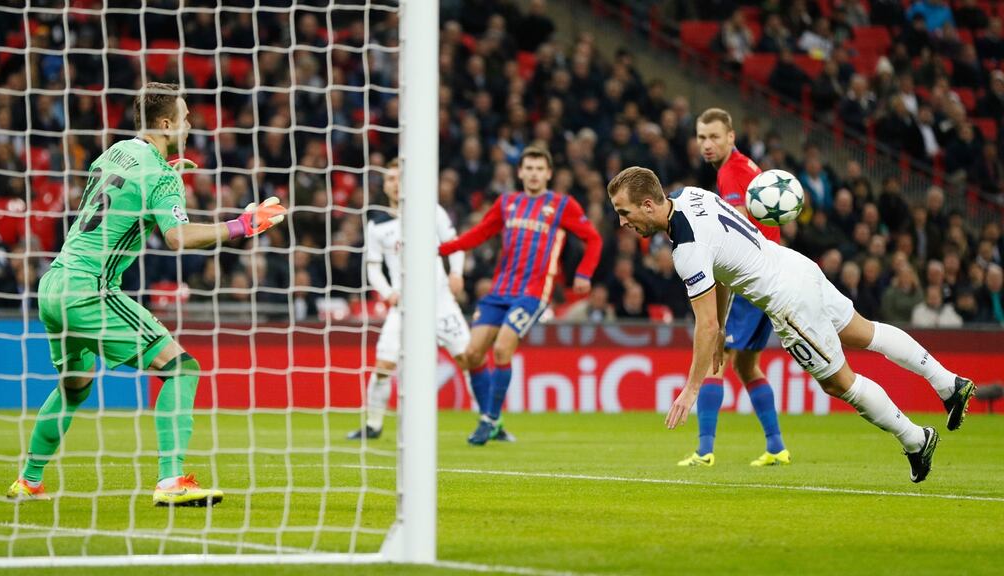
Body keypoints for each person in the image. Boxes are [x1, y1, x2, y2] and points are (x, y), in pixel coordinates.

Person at [8, 82, 287, 505]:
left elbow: (119, 198)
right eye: (186, 115)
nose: (191, 123)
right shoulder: (159, 175)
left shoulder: (115, 153)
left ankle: (28, 480)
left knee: (74, 387)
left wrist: (167, 169)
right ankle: (171, 482)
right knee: (181, 368)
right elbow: (177, 238)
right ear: (166, 123)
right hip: (91, 290)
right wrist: (243, 226)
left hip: (55, 283)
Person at [607, 167, 975, 483]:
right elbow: (717, 271)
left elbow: (702, 325)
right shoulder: (690, 195)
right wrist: (721, 328)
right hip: (796, 266)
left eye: (624, 212)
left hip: (787, 301)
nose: (623, 222)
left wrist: (691, 387)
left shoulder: (686, 249)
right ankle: (948, 383)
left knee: (838, 382)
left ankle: (916, 439)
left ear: (648, 205)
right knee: (865, 331)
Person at [440, 146, 602, 445]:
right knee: (472, 354)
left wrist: (584, 273)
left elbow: (593, 238)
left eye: (540, 169)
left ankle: (487, 419)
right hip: (499, 291)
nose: (534, 174)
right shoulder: (507, 203)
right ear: (520, 172)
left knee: (502, 349)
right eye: (528, 168)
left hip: (533, 293)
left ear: (549, 174)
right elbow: (480, 233)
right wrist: (443, 249)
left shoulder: (562, 204)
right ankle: (496, 421)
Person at [684, 108, 788, 467]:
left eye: (714, 137)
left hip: (749, 279)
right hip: (771, 274)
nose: (707, 145)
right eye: (701, 138)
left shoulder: (732, 173)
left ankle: (704, 451)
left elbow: (736, 226)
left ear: (731, 137)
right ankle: (777, 447)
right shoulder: (747, 169)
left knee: (716, 358)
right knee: (748, 366)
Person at [347, 159, 470, 440]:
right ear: (385, 185)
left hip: (440, 301)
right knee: (384, 366)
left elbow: (457, 244)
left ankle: (490, 421)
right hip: (403, 307)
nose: (396, 182)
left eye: (400, 177)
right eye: (390, 178)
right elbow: (373, 266)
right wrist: (388, 292)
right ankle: (373, 425)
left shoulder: (430, 211)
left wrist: (458, 273)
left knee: (468, 359)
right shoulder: (377, 224)